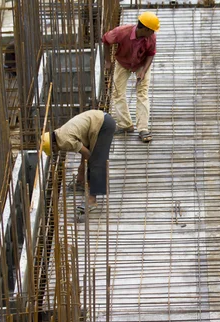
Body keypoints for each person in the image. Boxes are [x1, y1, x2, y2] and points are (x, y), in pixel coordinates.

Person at [41, 110, 116, 213]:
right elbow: (84, 147)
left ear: (53, 145)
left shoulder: (63, 142)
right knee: (93, 160)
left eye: (53, 150)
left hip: (103, 125)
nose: (55, 151)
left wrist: (90, 167)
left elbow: (87, 154)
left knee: (96, 160)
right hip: (101, 120)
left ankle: (92, 199)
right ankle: (87, 184)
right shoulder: (60, 133)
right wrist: (81, 171)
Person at [102, 12, 159, 143]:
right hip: (123, 63)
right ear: (144, 29)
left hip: (141, 63)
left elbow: (151, 53)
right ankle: (125, 124)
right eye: (152, 30)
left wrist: (144, 71)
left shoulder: (151, 37)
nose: (154, 33)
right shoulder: (122, 32)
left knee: (142, 93)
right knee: (118, 93)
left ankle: (143, 128)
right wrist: (107, 61)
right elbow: (105, 40)